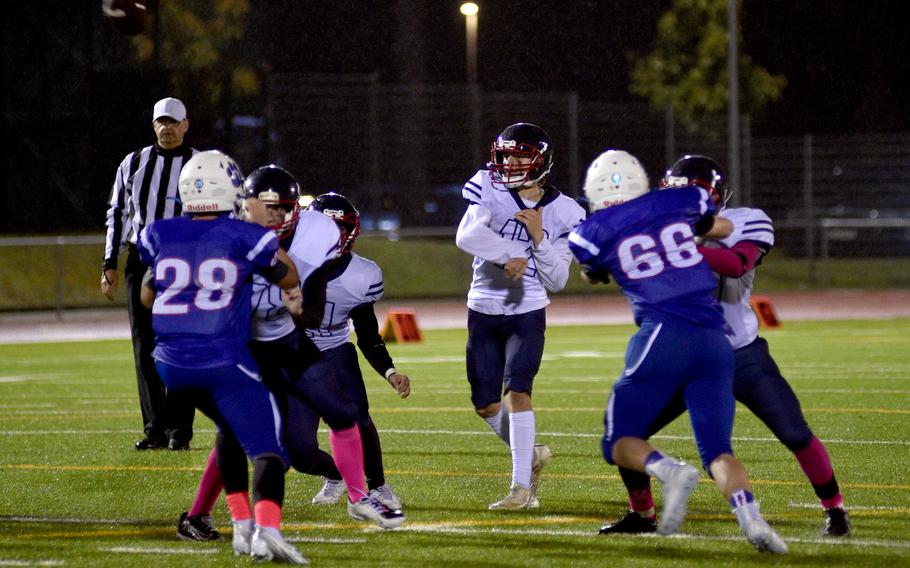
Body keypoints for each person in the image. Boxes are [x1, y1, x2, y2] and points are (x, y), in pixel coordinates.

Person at [597, 154, 850, 538]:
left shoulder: (746, 219)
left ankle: (835, 510)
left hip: (740, 353)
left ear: (717, 196)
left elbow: (736, 263)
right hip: (681, 354)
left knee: (794, 432)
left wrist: (676, 246)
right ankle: (642, 514)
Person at [567, 149, 787, 554]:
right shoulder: (677, 201)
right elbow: (717, 228)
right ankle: (752, 521)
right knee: (718, 450)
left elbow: (591, 272)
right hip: (715, 341)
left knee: (618, 440)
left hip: (663, 334)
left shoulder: (592, 229)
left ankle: (669, 472)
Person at [176, 166, 404, 541]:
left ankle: (361, 493)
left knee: (326, 428)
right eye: (264, 208)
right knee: (237, 435)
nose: (273, 217)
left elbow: (311, 310)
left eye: (281, 209)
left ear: (295, 210)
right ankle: (197, 514)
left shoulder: (315, 239)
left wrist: (292, 299)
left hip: (290, 346)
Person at [138, 150, 307, 563]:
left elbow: (146, 297)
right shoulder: (244, 235)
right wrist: (255, 239)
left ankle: (229, 524)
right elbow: (288, 274)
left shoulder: (160, 232)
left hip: (169, 363)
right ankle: (264, 531)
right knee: (270, 449)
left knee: (230, 431)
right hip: (222, 360)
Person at [454, 123, 586, 510]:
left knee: (518, 392)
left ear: (540, 163)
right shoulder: (487, 186)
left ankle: (521, 489)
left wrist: (540, 240)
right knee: (485, 404)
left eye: (519, 156)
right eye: (505, 155)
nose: (509, 163)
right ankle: (530, 453)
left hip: (526, 310)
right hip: (482, 306)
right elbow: (467, 236)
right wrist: (507, 253)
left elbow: (558, 279)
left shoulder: (565, 211)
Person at [301, 192, 411, 511]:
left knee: (358, 418)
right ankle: (336, 476)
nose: (330, 237)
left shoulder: (361, 274)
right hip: (294, 350)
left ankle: (378, 485)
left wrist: (389, 371)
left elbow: (367, 333)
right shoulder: (288, 261)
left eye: (337, 229)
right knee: (298, 442)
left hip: (336, 347)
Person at [102, 97, 196, 451]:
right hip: (141, 260)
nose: (167, 128)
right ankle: (155, 429)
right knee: (145, 348)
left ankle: (179, 431)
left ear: (186, 124)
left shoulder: (200, 166)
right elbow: (117, 212)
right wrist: (109, 263)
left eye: (174, 122)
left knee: (181, 346)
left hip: (185, 263)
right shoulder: (133, 163)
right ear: (153, 125)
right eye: (162, 122)